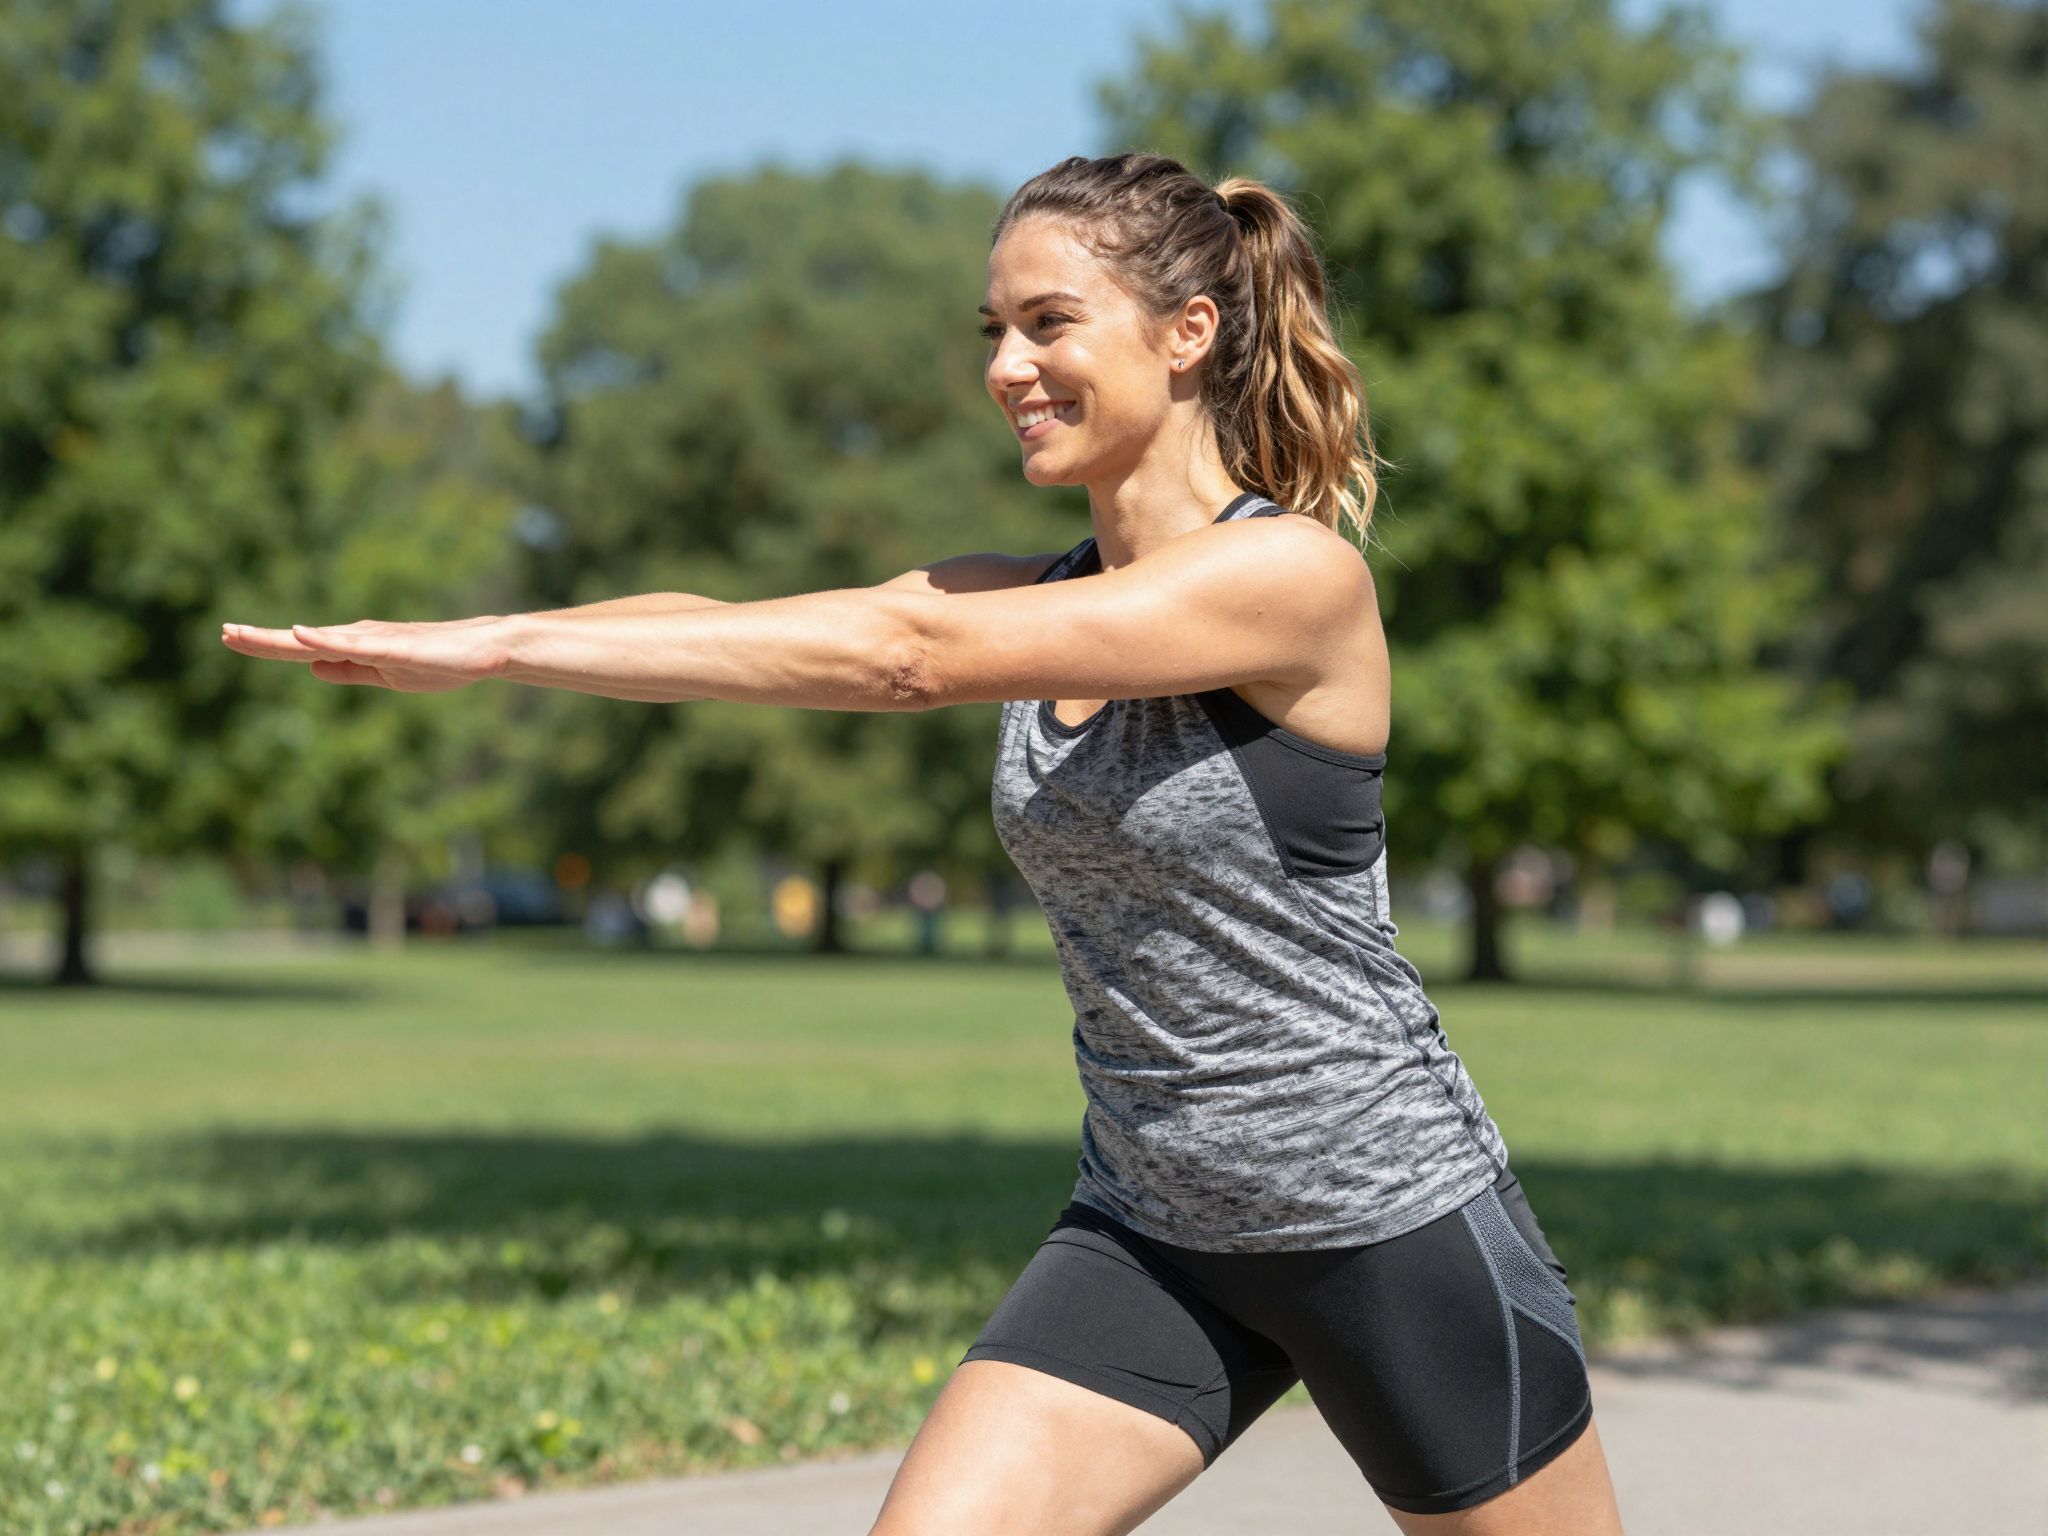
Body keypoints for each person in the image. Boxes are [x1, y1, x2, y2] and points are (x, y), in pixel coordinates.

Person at [221, 151, 1626, 1534]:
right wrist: (485, 648)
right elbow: (743, 622)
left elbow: (906, 656)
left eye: (1050, 323)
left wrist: (509, 641)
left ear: (1189, 333)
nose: (1008, 367)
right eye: (996, 332)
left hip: (1382, 1222)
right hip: (1153, 1228)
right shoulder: (1034, 593)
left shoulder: (1290, 578)